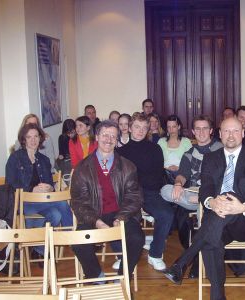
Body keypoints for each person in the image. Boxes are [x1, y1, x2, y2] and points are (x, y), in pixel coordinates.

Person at [164, 117, 245, 300]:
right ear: (220, 134)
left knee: (230, 196)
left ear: (243, 133)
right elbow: (206, 188)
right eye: (226, 131)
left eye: (235, 130)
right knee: (212, 240)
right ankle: (217, 295)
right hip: (218, 222)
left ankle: (183, 261)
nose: (231, 135)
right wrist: (211, 202)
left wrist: (241, 206)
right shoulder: (211, 158)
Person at [70, 120, 144, 279]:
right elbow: (78, 201)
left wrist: (120, 218)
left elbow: (134, 197)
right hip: (93, 215)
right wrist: (97, 221)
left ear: (117, 140)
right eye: (105, 135)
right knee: (78, 243)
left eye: (113, 136)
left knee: (137, 239)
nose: (109, 139)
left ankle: (123, 275)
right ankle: (96, 276)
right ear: (96, 137)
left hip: (121, 214)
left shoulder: (128, 166)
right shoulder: (82, 168)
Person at [6, 123, 73, 259]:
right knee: (62, 204)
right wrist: (31, 189)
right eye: (29, 137)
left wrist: (49, 187)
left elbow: (49, 183)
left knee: (56, 215)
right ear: (23, 139)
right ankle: (73, 239)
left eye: (36, 136)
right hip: (23, 203)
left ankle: (39, 249)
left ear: (40, 138)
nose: (33, 140)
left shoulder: (44, 160)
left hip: (43, 201)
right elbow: (10, 184)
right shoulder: (15, 158)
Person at [117, 113, 174, 271]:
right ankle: (122, 255)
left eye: (144, 127)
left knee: (166, 214)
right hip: (128, 195)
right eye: (136, 127)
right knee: (115, 215)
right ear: (129, 128)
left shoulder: (155, 149)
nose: (140, 131)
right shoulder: (121, 152)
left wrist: (145, 195)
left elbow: (157, 176)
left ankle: (155, 253)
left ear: (148, 129)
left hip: (150, 192)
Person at [161, 114, 223, 211]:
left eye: (205, 128)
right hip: (194, 194)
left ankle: (204, 201)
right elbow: (182, 175)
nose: (201, 132)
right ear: (193, 132)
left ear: (211, 131)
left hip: (216, 192)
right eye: (198, 129)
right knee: (165, 190)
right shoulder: (188, 154)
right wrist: (178, 184)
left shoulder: (220, 149)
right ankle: (202, 201)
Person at [158, 115, 192, 183]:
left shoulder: (186, 141)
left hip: (182, 174)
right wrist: (167, 168)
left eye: (174, 127)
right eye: (169, 127)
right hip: (165, 174)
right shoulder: (161, 141)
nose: (171, 130)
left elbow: (191, 161)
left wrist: (180, 168)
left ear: (179, 127)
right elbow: (157, 161)